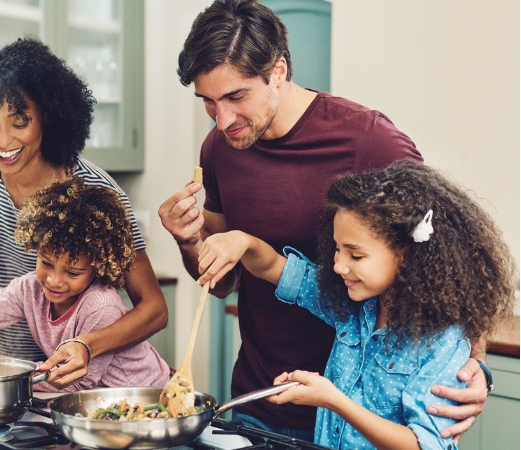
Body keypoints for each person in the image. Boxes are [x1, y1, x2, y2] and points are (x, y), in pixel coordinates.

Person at [158, 0, 488, 440]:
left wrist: (473, 363)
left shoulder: (368, 140)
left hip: (365, 420)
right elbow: (223, 283)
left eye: (236, 97)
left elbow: (445, 259)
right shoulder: (219, 149)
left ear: (278, 71)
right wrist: (189, 241)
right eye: (208, 102)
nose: (223, 120)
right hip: (259, 399)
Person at [195, 161, 515, 449]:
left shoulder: (442, 343)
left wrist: (334, 400)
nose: (338, 265)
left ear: (406, 255)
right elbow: (274, 268)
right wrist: (243, 241)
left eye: (356, 255)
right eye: (337, 249)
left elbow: (422, 445)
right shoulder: (350, 306)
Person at [0, 38, 168, 388]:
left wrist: (87, 345)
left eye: (20, 120)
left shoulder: (97, 193)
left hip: (76, 382)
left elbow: (154, 309)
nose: (3, 140)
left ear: (47, 115)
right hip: (15, 375)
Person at [0, 178, 170, 392]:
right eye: (46, 263)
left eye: (73, 273)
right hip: (97, 396)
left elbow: (77, 382)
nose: (54, 280)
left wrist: (3, 369)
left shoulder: (100, 306)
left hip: (144, 391)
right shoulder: (30, 289)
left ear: (98, 268)